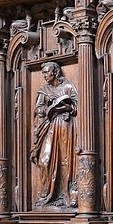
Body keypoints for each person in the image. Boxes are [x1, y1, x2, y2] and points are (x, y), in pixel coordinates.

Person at [31, 62, 77, 207]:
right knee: (44, 161)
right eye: (43, 73)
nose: (44, 75)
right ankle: (47, 194)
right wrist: (46, 108)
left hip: (65, 125)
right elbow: (38, 109)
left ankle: (65, 194)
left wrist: (68, 107)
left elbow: (77, 105)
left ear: (55, 72)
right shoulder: (44, 90)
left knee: (66, 160)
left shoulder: (68, 87)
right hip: (49, 126)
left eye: (46, 72)